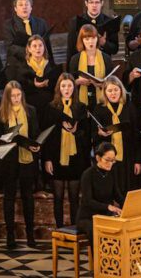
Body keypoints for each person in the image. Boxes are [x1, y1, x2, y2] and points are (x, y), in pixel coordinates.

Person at [0, 80, 41, 249]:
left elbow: (35, 133)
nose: (16, 98)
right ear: (7, 97)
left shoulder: (30, 111)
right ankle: (10, 236)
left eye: (18, 95)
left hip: (27, 159)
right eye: (13, 96)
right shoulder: (1, 113)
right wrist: (5, 141)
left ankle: (30, 235)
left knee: (28, 197)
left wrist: (36, 145)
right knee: (9, 197)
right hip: (9, 161)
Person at [43, 73, 88, 228]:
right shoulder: (51, 108)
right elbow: (47, 136)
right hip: (56, 156)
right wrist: (47, 159)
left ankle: (75, 230)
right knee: (58, 197)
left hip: (76, 157)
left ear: (74, 88)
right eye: (63, 86)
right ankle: (60, 229)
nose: (66, 89)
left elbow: (86, 136)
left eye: (69, 86)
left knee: (75, 197)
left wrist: (76, 131)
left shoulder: (80, 107)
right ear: (58, 88)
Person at [91, 77, 141, 193]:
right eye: (109, 91)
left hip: (127, 157)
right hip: (107, 159)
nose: (113, 93)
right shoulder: (99, 109)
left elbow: (136, 137)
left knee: (127, 190)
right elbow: (93, 136)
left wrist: (137, 161)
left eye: (116, 90)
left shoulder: (129, 108)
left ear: (121, 90)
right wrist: (100, 134)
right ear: (105, 92)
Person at [76, 143, 124, 248]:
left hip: (105, 215)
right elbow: (88, 201)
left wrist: (128, 204)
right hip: (87, 218)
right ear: (98, 158)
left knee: (121, 228)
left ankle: (115, 261)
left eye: (113, 161)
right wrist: (108, 207)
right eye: (107, 160)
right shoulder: (88, 174)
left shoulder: (111, 173)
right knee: (96, 231)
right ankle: (100, 263)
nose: (110, 164)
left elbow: (117, 194)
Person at [3, 0, 51, 81]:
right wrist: (31, 52)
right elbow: (10, 47)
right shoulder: (8, 25)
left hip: (40, 69)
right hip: (18, 70)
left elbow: (47, 47)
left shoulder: (41, 23)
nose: (24, 7)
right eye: (20, 5)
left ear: (31, 7)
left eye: (27, 4)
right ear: (15, 8)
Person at [66, 0, 119, 65]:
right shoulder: (76, 21)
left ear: (102, 3)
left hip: (103, 64)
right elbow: (71, 48)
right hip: (81, 62)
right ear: (86, 3)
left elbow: (115, 49)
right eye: (91, 2)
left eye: (97, 2)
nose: (94, 6)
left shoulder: (109, 22)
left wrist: (104, 43)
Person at [68, 24, 114, 113]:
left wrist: (103, 84)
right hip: (81, 102)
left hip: (102, 101)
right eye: (87, 39)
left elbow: (113, 82)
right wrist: (77, 82)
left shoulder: (106, 58)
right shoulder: (75, 59)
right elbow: (69, 82)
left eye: (93, 38)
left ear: (97, 39)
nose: (90, 42)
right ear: (82, 40)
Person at [17, 34, 61, 123]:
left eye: (40, 45)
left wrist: (48, 84)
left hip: (50, 104)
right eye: (34, 46)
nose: (38, 48)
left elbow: (57, 85)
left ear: (44, 47)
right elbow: (21, 88)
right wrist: (34, 85)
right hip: (32, 107)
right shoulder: (23, 67)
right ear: (29, 49)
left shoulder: (52, 65)